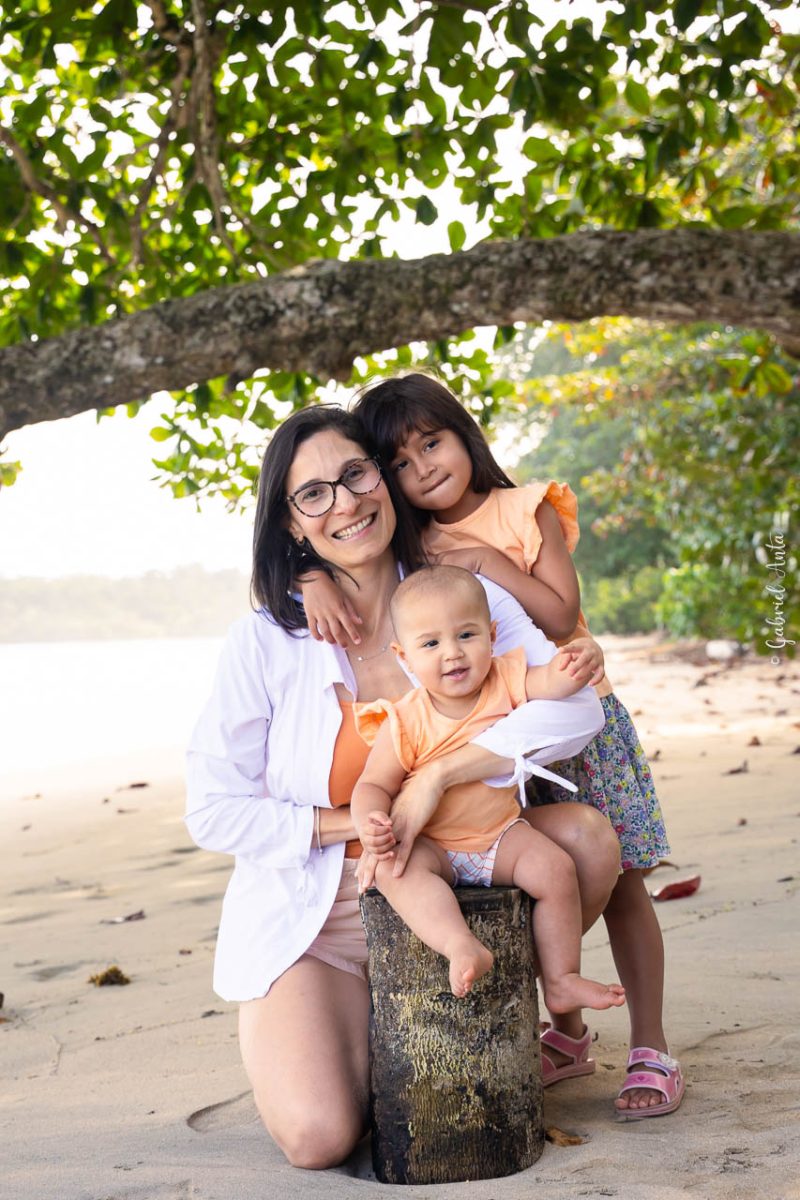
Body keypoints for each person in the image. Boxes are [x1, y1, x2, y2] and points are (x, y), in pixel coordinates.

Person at [185, 404, 621, 1170]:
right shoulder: (266, 641)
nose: (345, 502)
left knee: (583, 838)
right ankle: (356, 1028)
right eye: (313, 494)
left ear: (384, 480)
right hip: (323, 912)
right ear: (291, 526)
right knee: (321, 1138)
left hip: (464, 865)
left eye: (355, 475)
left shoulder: (459, 595)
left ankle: (509, 1006)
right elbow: (213, 809)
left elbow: (579, 707)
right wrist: (357, 821)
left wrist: (442, 776)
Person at [303, 372, 683, 1121]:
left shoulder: (518, 510)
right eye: (401, 463)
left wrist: (493, 567)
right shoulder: (417, 549)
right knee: (525, 869)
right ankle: (566, 1033)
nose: (422, 470)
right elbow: (333, 552)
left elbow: (563, 614)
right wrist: (313, 577)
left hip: (569, 719)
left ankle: (651, 1044)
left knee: (623, 878)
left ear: (463, 432)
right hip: (497, 767)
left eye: (433, 444)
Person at [351, 565, 627, 1014]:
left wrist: (578, 661)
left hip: (501, 835)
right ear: (405, 657)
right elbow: (373, 784)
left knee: (556, 869)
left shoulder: (506, 677)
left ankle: (560, 979)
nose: (452, 654)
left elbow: (554, 685)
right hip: (435, 844)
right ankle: (459, 944)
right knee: (394, 871)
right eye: (431, 643)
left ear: (492, 634)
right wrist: (371, 821)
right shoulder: (405, 719)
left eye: (466, 635)